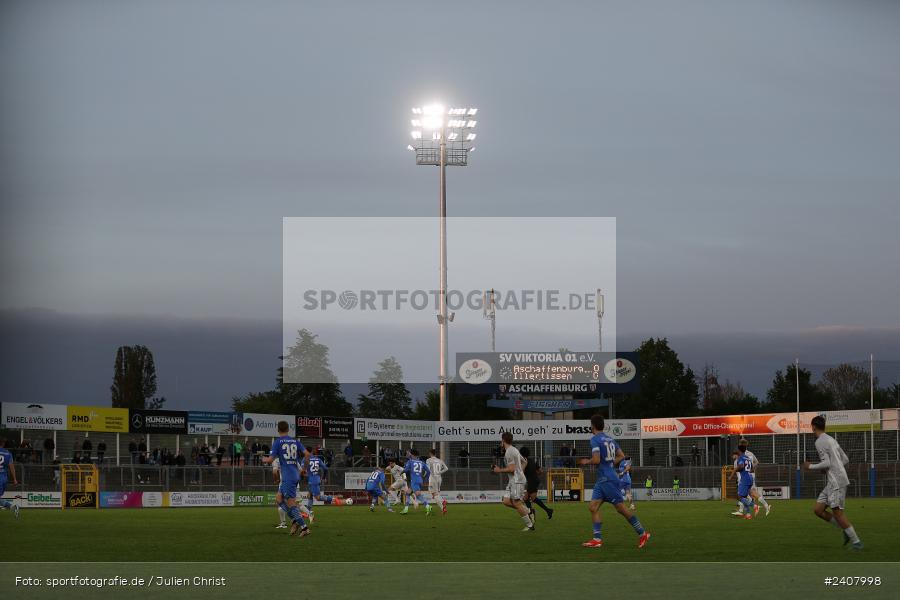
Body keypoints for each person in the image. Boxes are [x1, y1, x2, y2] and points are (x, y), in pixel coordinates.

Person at [579, 415, 650, 549]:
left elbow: (596, 460)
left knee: (621, 509)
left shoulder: (595, 439)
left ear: (593, 426)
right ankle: (597, 539)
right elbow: (621, 456)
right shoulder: (611, 439)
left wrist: (585, 461)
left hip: (608, 479)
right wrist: (610, 463)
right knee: (593, 507)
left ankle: (643, 533)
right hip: (604, 479)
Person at [804, 415, 862, 550]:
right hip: (833, 480)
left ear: (813, 426)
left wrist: (810, 466)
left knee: (837, 513)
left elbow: (827, 462)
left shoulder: (819, 442)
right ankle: (845, 530)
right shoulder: (831, 439)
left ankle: (856, 542)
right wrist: (830, 468)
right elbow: (845, 459)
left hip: (837, 481)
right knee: (818, 510)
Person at [262, 421, 311, 537]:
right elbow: (307, 454)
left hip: (288, 476)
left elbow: (270, 460)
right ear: (288, 429)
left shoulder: (278, 442)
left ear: (278, 430)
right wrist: (303, 469)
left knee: (291, 503)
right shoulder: (295, 441)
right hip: (294, 475)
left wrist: (263, 459)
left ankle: (304, 527)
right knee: (279, 499)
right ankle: (294, 520)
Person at [493, 432, 533, 531]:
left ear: (503, 441)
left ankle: (530, 525)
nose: (500, 442)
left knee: (516, 503)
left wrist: (499, 470)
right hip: (514, 480)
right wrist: (521, 472)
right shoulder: (514, 449)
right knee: (506, 501)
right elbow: (525, 461)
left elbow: (511, 469)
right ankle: (528, 511)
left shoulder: (509, 452)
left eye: (501, 440)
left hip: (516, 481)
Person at [272, 456, 310, 528]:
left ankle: (297, 522)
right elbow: (302, 472)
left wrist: (276, 480)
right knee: (294, 504)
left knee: (290, 505)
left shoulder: (277, 460)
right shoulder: (293, 460)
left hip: (286, 485)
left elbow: (274, 472)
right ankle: (301, 519)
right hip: (293, 484)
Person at [738, 438, 770, 516]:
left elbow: (741, 466)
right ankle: (748, 512)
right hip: (750, 475)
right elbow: (756, 462)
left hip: (745, 476)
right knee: (750, 493)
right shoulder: (750, 453)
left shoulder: (742, 454)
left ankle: (749, 509)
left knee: (745, 494)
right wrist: (752, 469)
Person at [520, 446, 553, 520]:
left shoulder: (524, 461)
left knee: (530, 498)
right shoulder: (532, 461)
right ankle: (548, 511)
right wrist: (534, 474)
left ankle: (531, 513)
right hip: (534, 480)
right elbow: (540, 471)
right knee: (527, 498)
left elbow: (521, 472)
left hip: (532, 481)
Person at [303, 452, 334, 517]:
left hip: (312, 480)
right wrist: (324, 477)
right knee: (310, 495)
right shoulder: (318, 459)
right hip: (316, 479)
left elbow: (303, 470)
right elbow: (325, 468)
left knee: (318, 498)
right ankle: (308, 512)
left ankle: (332, 499)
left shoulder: (305, 459)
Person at [401, 449, 431, 515]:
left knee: (418, 495)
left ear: (411, 454)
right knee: (408, 493)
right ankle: (406, 509)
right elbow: (428, 471)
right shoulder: (422, 462)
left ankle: (428, 506)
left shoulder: (410, 461)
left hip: (414, 481)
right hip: (420, 480)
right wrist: (425, 479)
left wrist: (401, 472)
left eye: (409, 453)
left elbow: (405, 470)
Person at [734, 445, 756, 520]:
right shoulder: (748, 458)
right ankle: (748, 515)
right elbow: (752, 470)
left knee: (739, 497)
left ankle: (755, 506)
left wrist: (736, 470)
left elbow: (741, 466)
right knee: (744, 497)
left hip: (745, 479)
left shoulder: (741, 457)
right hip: (750, 477)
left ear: (739, 451)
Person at [425, 448, 449, 514]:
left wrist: (425, 475)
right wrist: (439, 472)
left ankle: (442, 501)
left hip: (433, 478)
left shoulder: (428, 460)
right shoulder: (440, 460)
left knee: (434, 494)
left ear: (430, 453)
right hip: (439, 478)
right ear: (435, 454)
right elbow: (446, 468)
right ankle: (443, 509)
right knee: (436, 493)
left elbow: (428, 469)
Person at [0, 440, 20, 519]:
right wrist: (14, 479)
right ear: (3, 444)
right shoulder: (8, 453)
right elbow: (11, 467)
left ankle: (13, 507)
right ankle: (13, 507)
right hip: (4, 478)